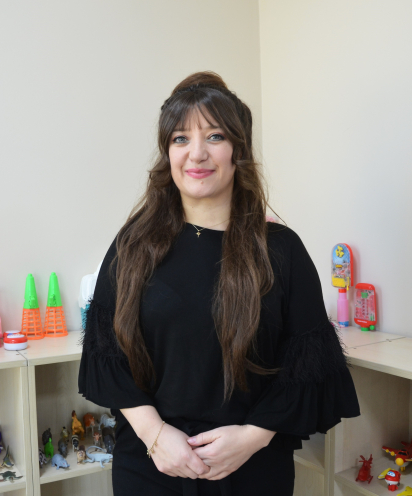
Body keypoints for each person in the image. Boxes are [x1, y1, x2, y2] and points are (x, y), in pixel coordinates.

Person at [78, 71, 359, 496]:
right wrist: (155, 435)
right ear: (167, 153)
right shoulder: (133, 244)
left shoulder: (281, 250)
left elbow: (308, 368)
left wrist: (251, 438)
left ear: (237, 150)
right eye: (180, 138)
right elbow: (107, 354)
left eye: (214, 136)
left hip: (252, 467)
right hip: (151, 463)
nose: (197, 153)